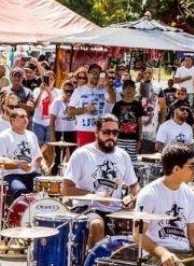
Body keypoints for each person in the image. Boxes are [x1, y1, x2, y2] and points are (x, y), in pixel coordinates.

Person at [62, 114, 139, 249]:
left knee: (143, 224)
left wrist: (131, 197)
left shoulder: (123, 155)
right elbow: (66, 189)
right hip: (87, 208)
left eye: (115, 132)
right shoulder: (82, 154)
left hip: (116, 210)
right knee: (97, 224)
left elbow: (134, 185)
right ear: (96, 132)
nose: (111, 136)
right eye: (106, 132)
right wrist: (95, 195)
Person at [0, 108, 43, 199]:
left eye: (26, 116)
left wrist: (33, 165)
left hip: (30, 174)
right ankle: (19, 212)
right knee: (20, 189)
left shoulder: (32, 135)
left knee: (45, 188)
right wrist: (20, 165)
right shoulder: (4, 136)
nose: (26, 119)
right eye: (22, 116)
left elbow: (38, 157)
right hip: (9, 175)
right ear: (13, 120)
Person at [67, 63, 116, 147]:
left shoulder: (104, 90)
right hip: (83, 131)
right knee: (84, 158)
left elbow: (113, 100)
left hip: (101, 132)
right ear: (88, 74)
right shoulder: (79, 91)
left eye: (98, 73)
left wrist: (108, 85)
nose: (96, 75)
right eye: (93, 72)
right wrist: (85, 109)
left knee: (99, 158)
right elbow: (70, 111)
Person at [111, 79, 145, 163]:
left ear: (134, 90)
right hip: (119, 139)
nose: (129, 90)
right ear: (123, 90)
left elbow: (140, 123)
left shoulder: (138, 105)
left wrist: (139, 140)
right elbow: (114, 123)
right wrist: (113, 138)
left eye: (131, 88)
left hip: (133, 140)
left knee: (132, 163)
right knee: (118, 162)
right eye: (126, 87)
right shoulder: (117, 105)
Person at [48, 81, 76, 175]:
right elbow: (52, 120)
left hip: (73, 132)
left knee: (74, 158)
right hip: (61, 132)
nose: (69, 93)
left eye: (71, 91)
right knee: (58, 159)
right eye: (67, 91)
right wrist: (52, 136)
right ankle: (52, 178)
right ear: (62, 90)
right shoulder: (57, 101)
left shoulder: (76, 101)